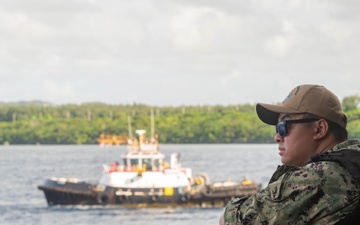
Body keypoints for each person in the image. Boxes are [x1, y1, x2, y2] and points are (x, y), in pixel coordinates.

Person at [220, 84, 360, 225]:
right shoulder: (353, 162)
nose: (277, 137)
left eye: (284, 126)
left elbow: (231, 220)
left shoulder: (317, 177)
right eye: (277, 127)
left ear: (319, 129)